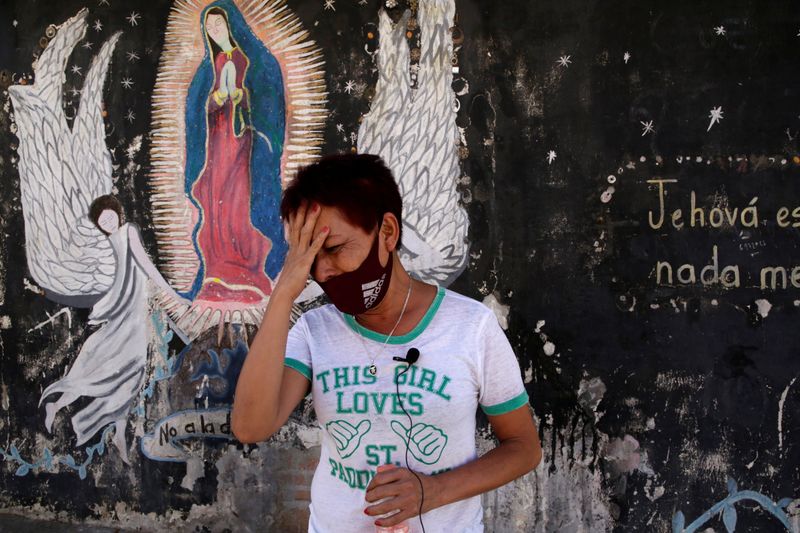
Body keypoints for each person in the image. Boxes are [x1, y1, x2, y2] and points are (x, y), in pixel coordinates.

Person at [232, 154, 541, 532]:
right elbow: (250, 426)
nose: (322, 271)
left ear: (388, 232)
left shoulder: (470, 327)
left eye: (333, 248)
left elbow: (524, 447)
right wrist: (283, 295)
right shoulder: (315, 331)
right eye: (308, 256)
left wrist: (433, 492)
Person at [40, 195, 187, 463]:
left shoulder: (127, 230)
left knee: (126, 378)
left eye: (109, 217)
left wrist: (169, 293)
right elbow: (144, 267)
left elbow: (143, 265)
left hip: (135, 315)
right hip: (129, 317)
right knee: (108, 368)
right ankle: (59, 404)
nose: (107, 223)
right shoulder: (119, 236)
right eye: (102, 222)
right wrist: (172, 293)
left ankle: (117, 431)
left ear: (117, 212)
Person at [188, 6, 284, 304]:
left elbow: (268, 97)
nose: (215, 30)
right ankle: (218, 268)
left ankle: (245, 265)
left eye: (219, 23)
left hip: (241, 141)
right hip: (216, 145)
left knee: (237, 199)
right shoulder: (209, 67)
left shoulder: (253, 61)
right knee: (216, 202)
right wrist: (213, 101)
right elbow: (196, 110)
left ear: (231, 25)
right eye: (210, 27)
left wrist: (243, 97)